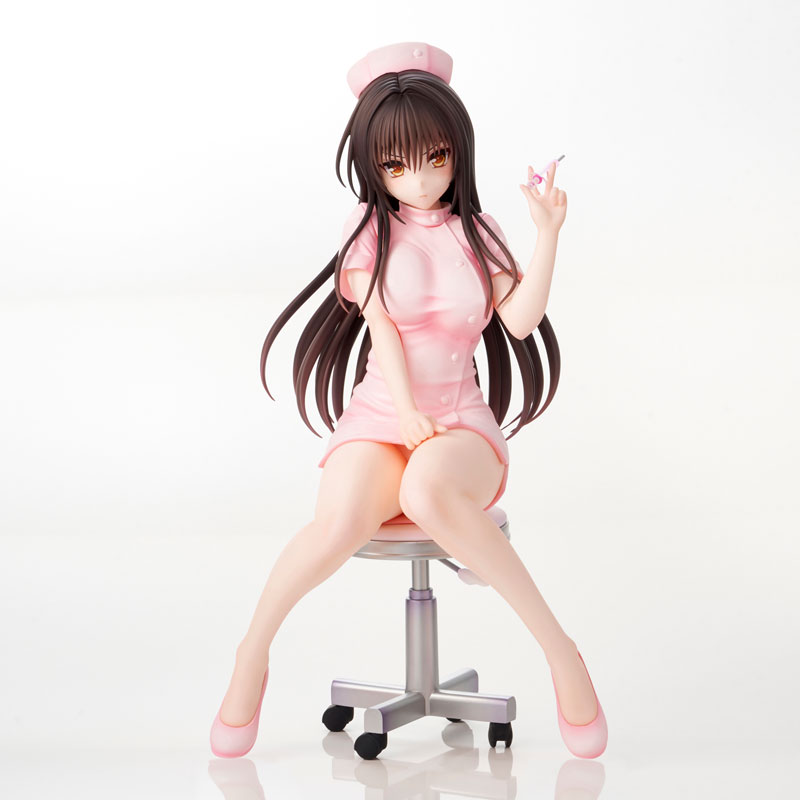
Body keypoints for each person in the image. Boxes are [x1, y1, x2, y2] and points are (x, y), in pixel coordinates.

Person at [210, 41, 607, 760]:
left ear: (457, 151)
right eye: (396, 166)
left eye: (435, 158)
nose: (419, 181)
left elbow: (518, 322)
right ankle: (252, 653)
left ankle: (560, 651)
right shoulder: (368, 230)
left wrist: (548, 235)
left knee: (426, 488)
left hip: (460, 423)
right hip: (379, 416)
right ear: (373, 166)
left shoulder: (478, 233)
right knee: (337, 522)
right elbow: (383, 328)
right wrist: (405, 411)